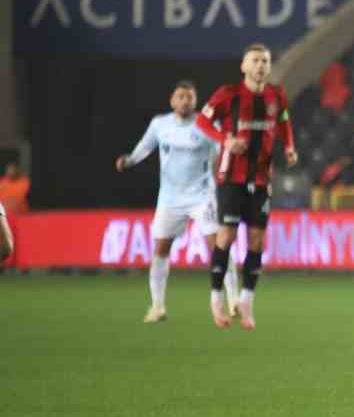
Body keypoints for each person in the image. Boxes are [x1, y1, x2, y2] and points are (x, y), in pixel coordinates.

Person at [115, 80, 239, 323]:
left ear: (196, 101)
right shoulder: (160, 124)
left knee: (218, 247)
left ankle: (234, 301)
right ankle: (158, 307)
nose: (185, 101)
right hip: (170, 199)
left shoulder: (206, 125)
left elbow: (222, 152)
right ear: (172, 101)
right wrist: (129, 160)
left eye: (190, 97)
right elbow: (145, 146)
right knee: (161, 249)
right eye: (180, 96)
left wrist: (224, 179)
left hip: (202, 197)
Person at [195, 44, 298, 330]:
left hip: (262, 178)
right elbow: (203, 120)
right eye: (255, 61)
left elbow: (285, 122)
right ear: (243, 66)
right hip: (231, 177)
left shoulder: (277, 95)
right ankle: (216, 297)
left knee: (256, 240)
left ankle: (247, 300)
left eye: (265, 60)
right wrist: (224, 140)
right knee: (225, 236)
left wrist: (289, 147)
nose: (261, 65)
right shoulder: (228, 94)